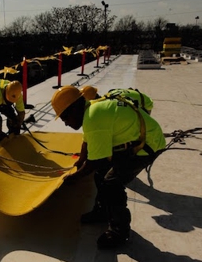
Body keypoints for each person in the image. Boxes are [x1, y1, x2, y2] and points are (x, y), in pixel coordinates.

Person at [51, 85, 166, 249]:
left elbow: (95, 162)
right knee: (101, 174)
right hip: (136, 140)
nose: (66, 123)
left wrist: (72, 178)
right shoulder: (91, 110)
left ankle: (119, 232)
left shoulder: (94, 117)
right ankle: (103, 211)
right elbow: (87, 141)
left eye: (65, 118)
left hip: (148, 145)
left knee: (111, 183)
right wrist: (81, 160)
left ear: (74, 108)